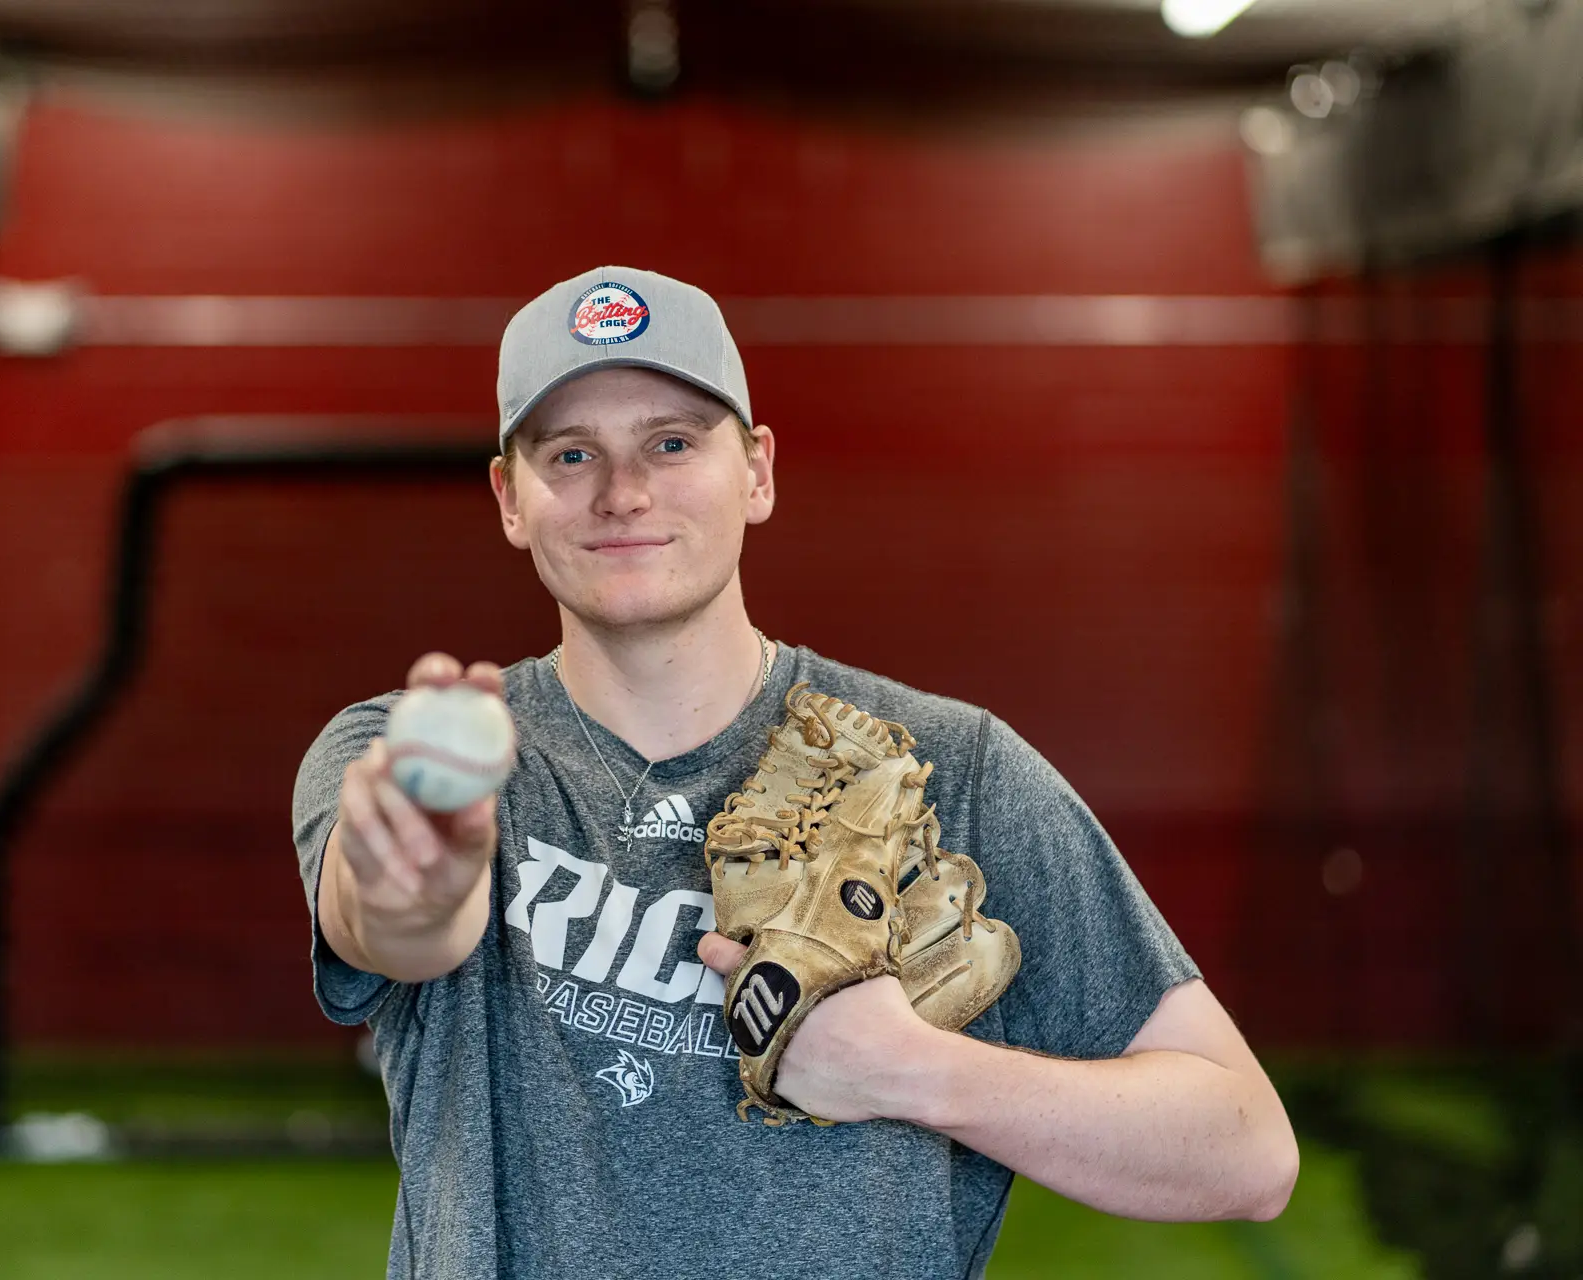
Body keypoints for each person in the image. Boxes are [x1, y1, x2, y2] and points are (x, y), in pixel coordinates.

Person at [291, 265, 1298, 1279]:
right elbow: (400, 922)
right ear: (511, 498)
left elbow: (1248, 1148)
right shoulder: (402, 753)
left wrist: (916, 1069)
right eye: (571, 452)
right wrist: (422, 859)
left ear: (758, 472)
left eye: (672, 442)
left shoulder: (951, 770)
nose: (623, 490)